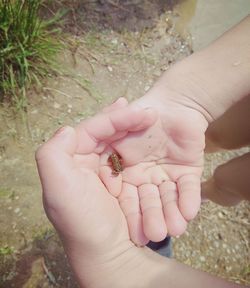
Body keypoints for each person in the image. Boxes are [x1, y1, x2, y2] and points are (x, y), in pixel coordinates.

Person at [36, 16, 250, 287]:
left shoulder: (117, 163)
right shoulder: (119, 162)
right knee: (221, 141)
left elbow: (117, 165)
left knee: (237, 179)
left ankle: (209, 191)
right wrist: (188, 101)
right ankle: (210, 185)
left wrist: (116, 262)